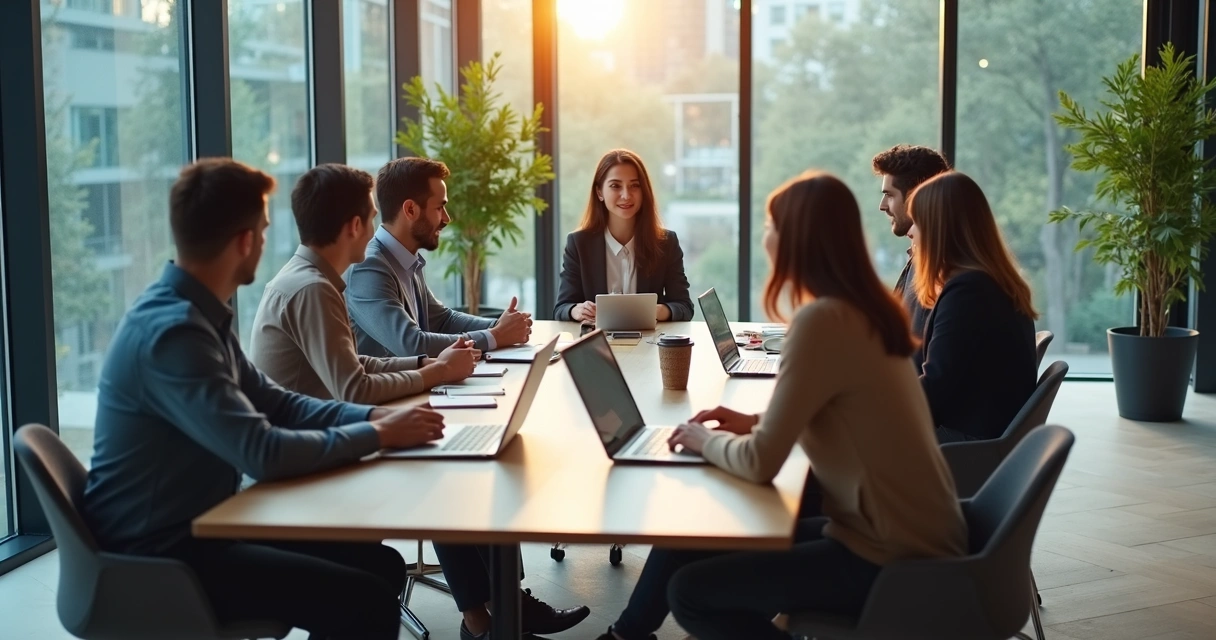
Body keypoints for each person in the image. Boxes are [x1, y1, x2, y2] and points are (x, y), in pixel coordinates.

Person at [81, 158, 448, 639]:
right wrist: (376, 433)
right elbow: (262, 451)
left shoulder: (195, 313)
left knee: (380, 567)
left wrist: (373, 415)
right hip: (162, 553)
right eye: (263, 229)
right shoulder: (174, 334)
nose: (265, 240)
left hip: (202, 525)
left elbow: (278, 403)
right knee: (368, 601)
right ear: (244, 240)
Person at [595, 171, 967, 640]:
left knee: (690, 592)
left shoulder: (822, 321)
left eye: (771, 225)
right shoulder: (861, 309)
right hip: (910, 533)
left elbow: (759, 463)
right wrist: (754, 421)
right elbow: (833, 409)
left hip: (891, 557)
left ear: (796, 239)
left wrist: (704, 440)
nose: (765, 236)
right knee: (691, 534)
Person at [250, 163, 479, 403]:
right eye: (372, 219)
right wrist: (440, 371)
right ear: (355, 226)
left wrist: (427, 363)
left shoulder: (308, 278)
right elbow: (355, 391)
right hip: (307, 426)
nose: (374, 233)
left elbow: (353, 364)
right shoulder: (312, 289)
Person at [346, 157, 532, 359]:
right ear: (410, 210)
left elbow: (443, 320)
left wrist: (501, 325)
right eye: (439, 207)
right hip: (390, 381)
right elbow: (411, 344)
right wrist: (495, 336)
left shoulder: (406, 259)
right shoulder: (369, 267)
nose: (446, 218)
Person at [906, 171, 1038, 442]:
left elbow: (933, 393)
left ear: (939, 230)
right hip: (978, 435)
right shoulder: (988, 283)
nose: (910, 232)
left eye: (917, 222)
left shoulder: (969, 293)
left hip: (963, 444)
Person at [555, 149, 693, 324]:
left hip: (649, 340)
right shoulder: (579, 243)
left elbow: (684, 307)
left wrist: (655, 311)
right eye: (615, 186)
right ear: (599, 192)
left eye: (635, 186)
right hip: (598, 340)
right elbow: (562, 308)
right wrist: (576, 310)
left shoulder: (666, 243)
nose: (626, 195)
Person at [871, 144, 951, 342]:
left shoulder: (943, 272)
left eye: (890, 195)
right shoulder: (920, 260)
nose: (882, 206)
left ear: (916, 197)